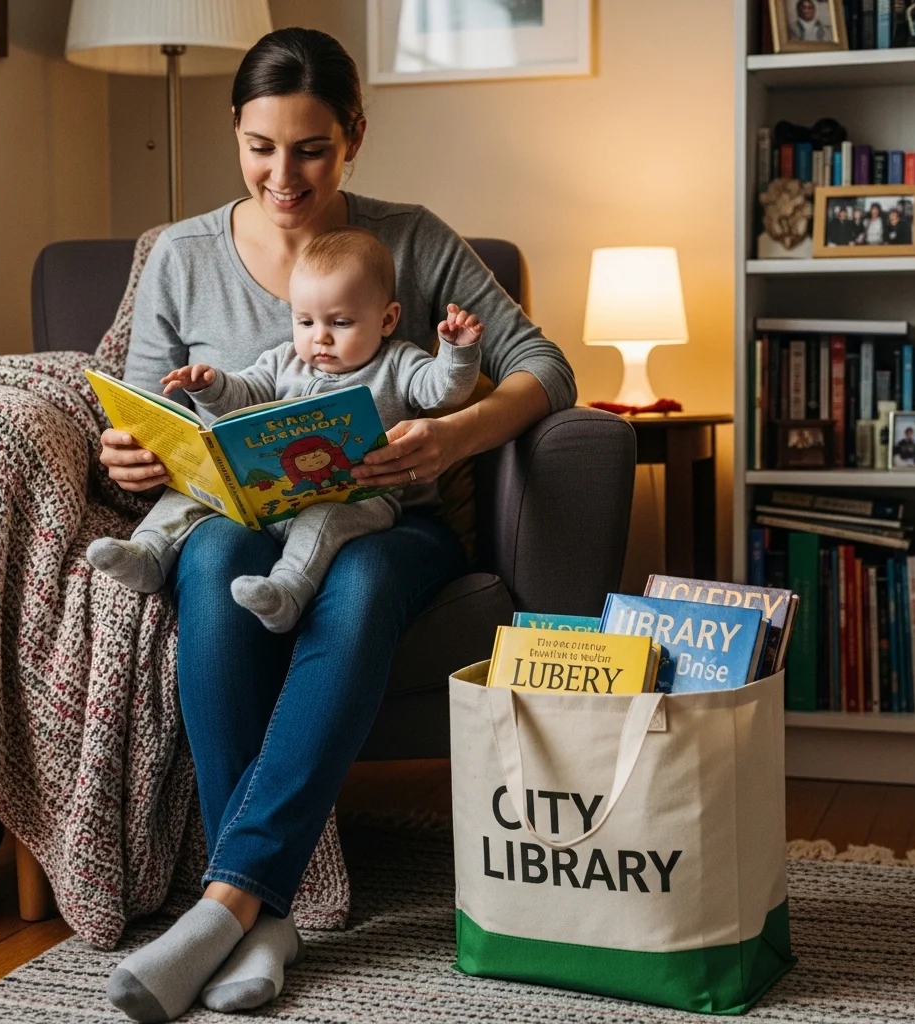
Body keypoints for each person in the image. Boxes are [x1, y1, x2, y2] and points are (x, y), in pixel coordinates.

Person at [98, 26, 575, 1024]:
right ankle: (262, 918)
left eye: (312, 149)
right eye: (260, 147)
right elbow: (144, 413)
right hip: (245, 521)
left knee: (352, 585)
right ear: (235, 131)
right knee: (214, 559)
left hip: (386, 522)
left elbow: (546, 366)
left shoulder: (411, 240)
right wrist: (134, 456)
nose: (284, 176)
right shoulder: (180, 256)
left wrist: (452, 435)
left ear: (354, 135)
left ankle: (225, 904)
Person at [87, 228, 484, 634]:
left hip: (358, 499)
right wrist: (210, 385)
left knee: (323, 520)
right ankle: (148, 553)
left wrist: (458, 351)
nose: (320, 337)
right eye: (305, 321)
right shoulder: (284, 360)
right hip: (271, 496)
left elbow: (443, 390)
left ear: (387, 319)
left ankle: (287, 590)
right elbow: (242, 395)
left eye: (340, 322)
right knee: (196, 489)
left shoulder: (399, 363)